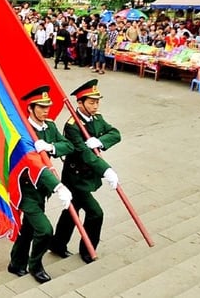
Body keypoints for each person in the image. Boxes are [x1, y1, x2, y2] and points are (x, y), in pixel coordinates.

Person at [50, 79, 121, 264]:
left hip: (89, 176)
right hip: (75, 178)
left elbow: (115, 133)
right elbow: (84, 154)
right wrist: (107, 170)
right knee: (96, 213)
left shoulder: (98, 118)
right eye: (91, 102)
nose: (95, 106)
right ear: (80, 103)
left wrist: (101, 141)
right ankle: (88, 249)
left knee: (71, 211)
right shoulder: (72, 125)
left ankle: (57, 244)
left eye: (97, 102)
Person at [8, 86, 74, 283]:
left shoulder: (50, 127)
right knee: (44, 230)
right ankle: (35, 265)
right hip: (26, 190)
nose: (46, 111)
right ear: (30, 108)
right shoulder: (22, 132)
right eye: (42, 107)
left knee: (29, 229)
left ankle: (16, 263)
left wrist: (51, 147)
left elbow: (68, 145)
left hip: (42, 191)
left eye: (48, 107)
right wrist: (58, 186)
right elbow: (35, 166)